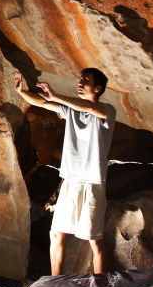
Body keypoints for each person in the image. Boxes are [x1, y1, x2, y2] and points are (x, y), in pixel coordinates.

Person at [11, 68, 116, 275]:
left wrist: (57, 96)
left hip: (92, 182)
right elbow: (42, 102)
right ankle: (55, 280)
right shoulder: (72, 111)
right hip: (70, 181)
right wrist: (22, 91)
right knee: (57, 233)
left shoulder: (108, 110)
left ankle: (99, 284)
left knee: (94, 240)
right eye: (80, 79)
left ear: (97, 88)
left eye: (86, 80)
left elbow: (90, 108)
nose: (80, 82)